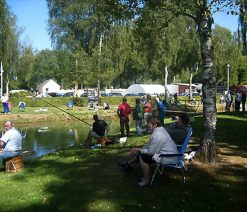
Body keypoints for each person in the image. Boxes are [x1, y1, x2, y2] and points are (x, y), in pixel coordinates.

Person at [118, 116, 178, 187]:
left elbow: (151, 152)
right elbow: (150, 145)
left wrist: (138, 150)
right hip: (165, 153)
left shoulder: (157, 135)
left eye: (148, 123)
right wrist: (140, 149)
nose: (147, 125)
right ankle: (129, 165)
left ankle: (146, 180)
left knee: (143, 157)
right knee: (141, 152)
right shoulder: (159, 130)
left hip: (168, 157)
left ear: (155, 125)